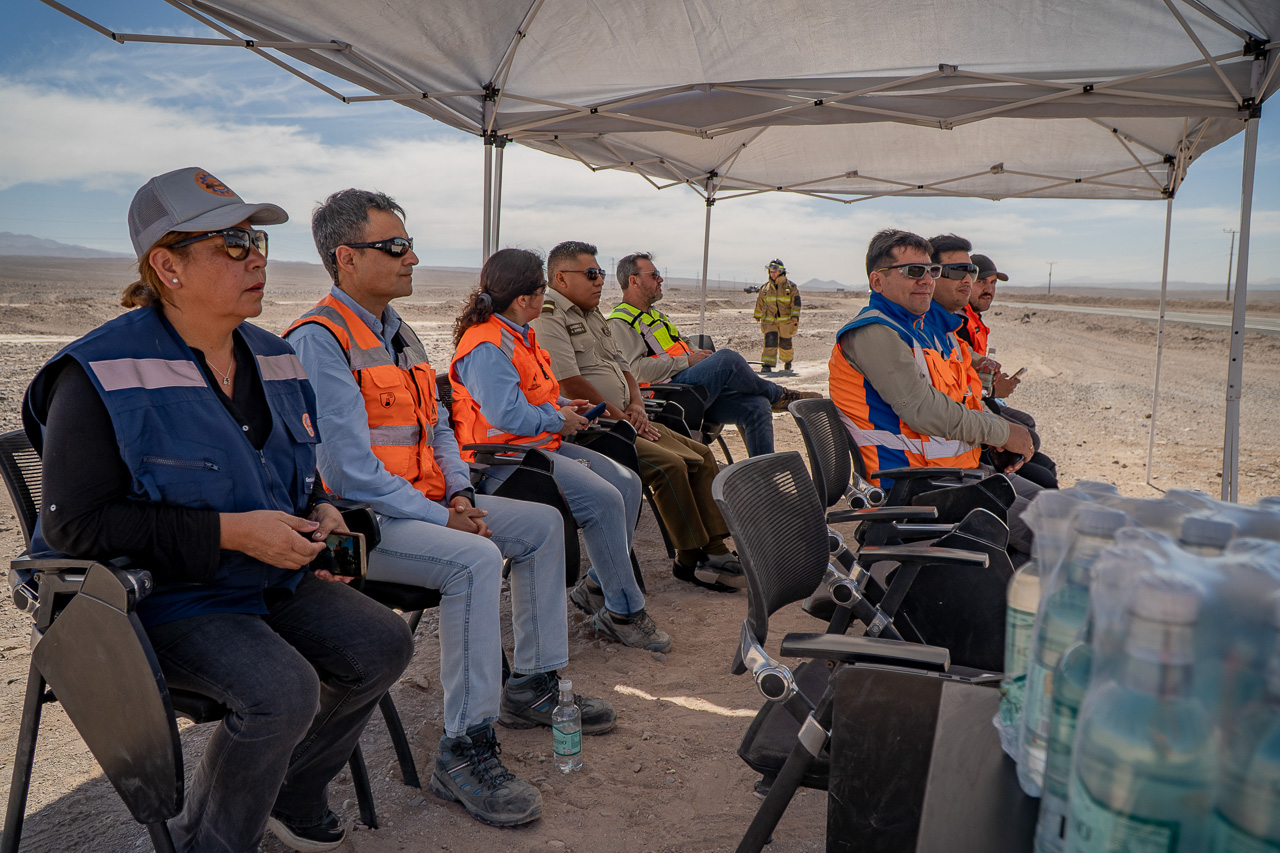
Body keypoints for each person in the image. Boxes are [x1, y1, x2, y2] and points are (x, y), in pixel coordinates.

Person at [21, 167, 414, 852]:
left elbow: (295, 472)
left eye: (256, 240)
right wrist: (231, 532)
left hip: (262, 578)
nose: (256, 257)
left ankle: (288, 792)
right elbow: (75, 526)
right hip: (154, 597)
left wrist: (323, 511)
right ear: (167, 266)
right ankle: (208, 840)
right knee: (281, 689)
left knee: (382, 643)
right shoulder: (97, 373)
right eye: (232, 244)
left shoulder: (277, 357)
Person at [284, 190, 613, 829]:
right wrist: (445, 517)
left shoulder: (399, 333)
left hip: (426, 503)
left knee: (542, 525)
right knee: (475, 559)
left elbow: (437, 428)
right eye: (395, 247)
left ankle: (532, 683)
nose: (412, 258)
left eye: (409, 245)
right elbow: (348, 472)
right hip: (356, 526)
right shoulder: (319, 341)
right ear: (346, 258)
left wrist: (459, 492)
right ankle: (464, 746)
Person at [449, 248, 671, 653]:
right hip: (502, 461)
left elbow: (535, 394)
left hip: (537, 446)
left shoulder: (519, 334)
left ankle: (599, 585)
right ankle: (624, 612)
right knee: (605, 499)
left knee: (626, 483)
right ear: (524, 299)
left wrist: (565, 407)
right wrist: (558, 419)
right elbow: (504, 415)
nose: (545, 295)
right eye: (541, 289)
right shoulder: (486, 344)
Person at [531, 240, 746, 592]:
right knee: (670, 466)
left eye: (600, 272)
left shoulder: (592, 314)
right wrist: (623, 419)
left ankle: (709, 550)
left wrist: (637, 405)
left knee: (701, 455)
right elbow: (569, 383)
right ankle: (693, 556)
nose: (600, 280)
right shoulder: (549, 316)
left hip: (627, 415)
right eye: (591, 273)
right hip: (596, 427)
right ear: (561, 278)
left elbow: (624, 366)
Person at [828, 229, 1041, 553]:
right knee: (1048, 532)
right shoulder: (874, 331)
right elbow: (922, 409)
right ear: (878, 281)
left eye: (932, 271)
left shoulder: (912, 329)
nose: (927, 280)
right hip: (912, 488)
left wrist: (996, 436)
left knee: (1052, 506)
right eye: (914, 271)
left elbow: (956, 400)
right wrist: (1001, 432)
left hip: (949, 475)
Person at [606, 252, 819, 457]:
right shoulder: (621, 322)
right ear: (633, 281)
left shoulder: (654, 314)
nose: (660, 279)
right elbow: (635, 371)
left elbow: (682, 342)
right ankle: (779, 395)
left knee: (757, 405)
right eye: (654, 275)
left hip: (689, 387)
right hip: (667, 396)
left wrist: (700, 356)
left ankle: (764, 476)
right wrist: (688, 361)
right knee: (727, 359)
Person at [927, 237, 1058, 489]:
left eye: (992, 283)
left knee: (1032, 444)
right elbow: (939, 407)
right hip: (951, 461)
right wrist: (995, 396)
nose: (985, 288)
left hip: (966, 441)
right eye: (980, 281)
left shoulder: (951, 328)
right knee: (1039, 464)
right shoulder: (944, 327)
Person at [753, 258, 801, 373]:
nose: (772, 274)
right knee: (770, 341)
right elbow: (760, 302)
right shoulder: (765, 288)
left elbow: (796, 303)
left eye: (774, 271)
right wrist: (757, 315)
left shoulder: (791, 287)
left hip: (786, 322)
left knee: (785, 343)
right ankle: (767, 364)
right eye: (771, 271)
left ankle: (787, 362)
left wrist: (795, 317)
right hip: (770, 321)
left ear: (781, 271)